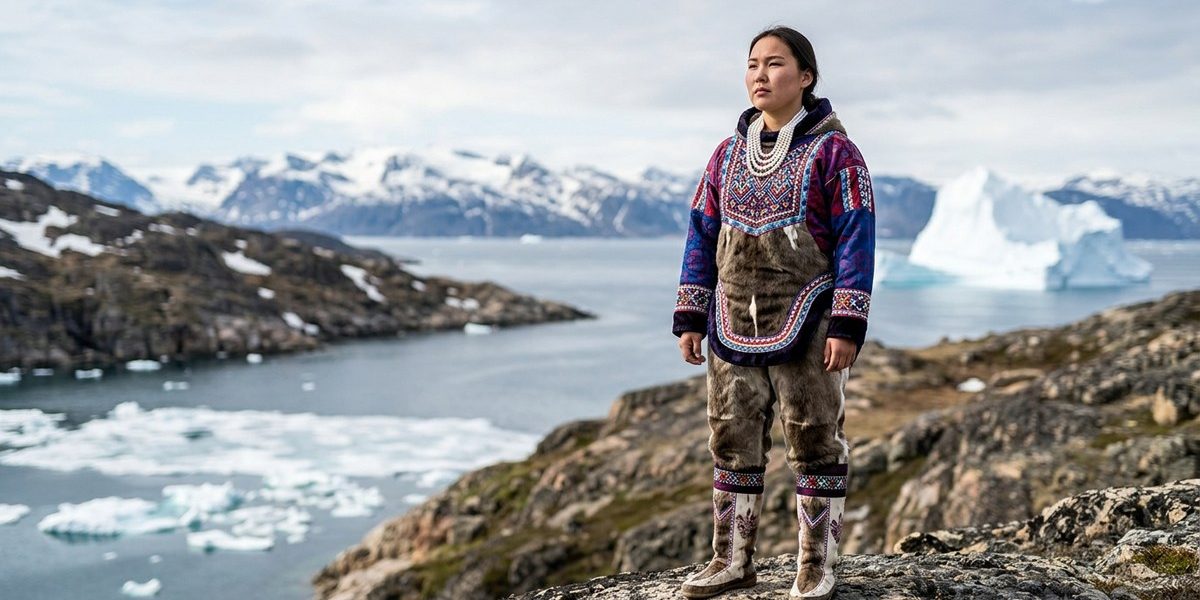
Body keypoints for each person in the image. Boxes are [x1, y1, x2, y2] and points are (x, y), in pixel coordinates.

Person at [672, 26, 875, 600]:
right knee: (731, 437)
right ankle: (731, 560)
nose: (760, 75)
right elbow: (701, 233)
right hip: (731, 319)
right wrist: (691, 312)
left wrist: (847, 321)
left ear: (805, 77)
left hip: (809, 318)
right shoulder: (727, 155)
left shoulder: (838, 154)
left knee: (814, 438)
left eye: (776, 64)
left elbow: (857, 237)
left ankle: (817, 567)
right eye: (753, 64)